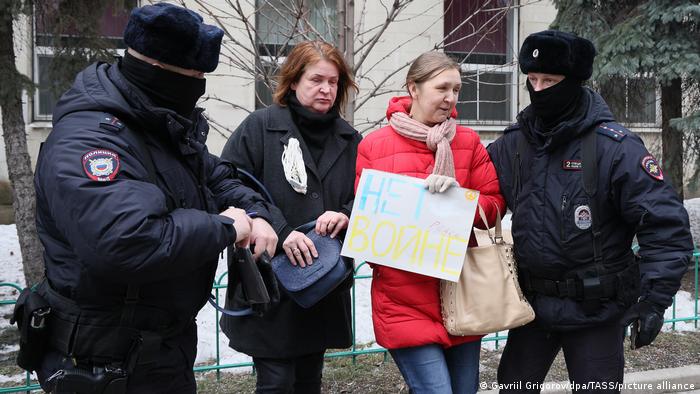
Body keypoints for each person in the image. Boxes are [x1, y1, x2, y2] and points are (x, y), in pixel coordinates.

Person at [31, 3, 279, 393]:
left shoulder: (157, 123)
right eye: (194, 76)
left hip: (158, 349)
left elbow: (214, 176)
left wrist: (256, 212)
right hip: (105, 359)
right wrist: (227, 227)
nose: (199, 86)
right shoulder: (92, 138)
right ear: (158, 71)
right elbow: (127, 240)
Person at [486, 30, 693, 392]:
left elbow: (664, 226)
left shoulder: (615, 147)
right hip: (533, 307)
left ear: (575, 82)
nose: (539, 88)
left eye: (549, 80)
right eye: (532, 79)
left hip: (598, 309)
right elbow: (476, 199)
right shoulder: (514, 144)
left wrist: (653, 301)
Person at [355, 51, 505, 394]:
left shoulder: (467, 141)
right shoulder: (374, 146)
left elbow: (494, 205)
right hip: (404, 300)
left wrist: (457, 201)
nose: (450, 97)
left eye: (456, 89)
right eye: (442, 88)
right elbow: (368, 225)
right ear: (414, 88)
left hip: (461, 296)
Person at [219, 40, 360, 393]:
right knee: (277, 381)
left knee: (310, 377)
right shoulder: (259, 127)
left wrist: (344, 214)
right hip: (269, 278)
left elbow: (364, 198)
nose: (326, 89)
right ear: (294, 81)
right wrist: (278, 228)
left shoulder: (350, 138)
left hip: (321, 278)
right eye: (316, 80)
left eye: (334, 82)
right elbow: (226, 183)